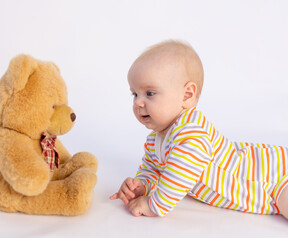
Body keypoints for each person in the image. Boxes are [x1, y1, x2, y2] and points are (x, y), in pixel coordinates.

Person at [109, 40, 288, 219]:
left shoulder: (191, 133)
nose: (138, 103)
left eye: (149, 93)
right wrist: (141, 185)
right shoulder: (155, 139)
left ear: (186, 95)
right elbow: (153, 168)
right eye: (135, 94)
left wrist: (153, 205)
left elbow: (179, 174)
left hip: (272, 177)